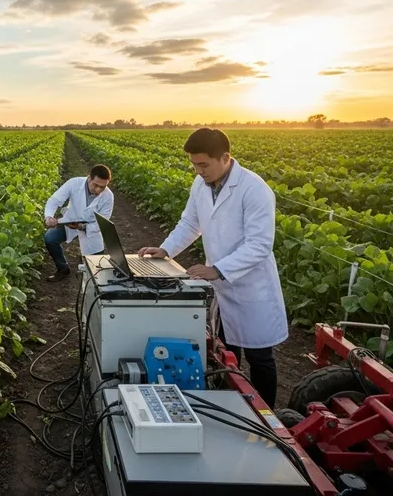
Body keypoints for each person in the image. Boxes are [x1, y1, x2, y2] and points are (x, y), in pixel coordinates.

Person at [139, 128, 287, 408]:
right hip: (222, 284)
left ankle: (267, 417)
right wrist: (166, 249)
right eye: (194, 165)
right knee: (224, 350)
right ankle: (231, 407)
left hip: (251, 285)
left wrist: (217, 269)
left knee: (259, 358)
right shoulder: (201, 185)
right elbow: (189, 224)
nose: (198, 171)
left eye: (203, 165)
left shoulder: (255, 190)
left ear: (226, 158)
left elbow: (259, 245)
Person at [43, 164, 114, 281]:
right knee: (50, 238)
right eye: (96, 185)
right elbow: (54, 200)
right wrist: (49, 216)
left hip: (91, 228)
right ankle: (62, 269)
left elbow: (102, 222)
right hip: (71, 220)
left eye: (103, 187)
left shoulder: (108, 196)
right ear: (89, 178)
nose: (98, 190)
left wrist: (82, 227)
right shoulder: (74, 183)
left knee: (96, 266)